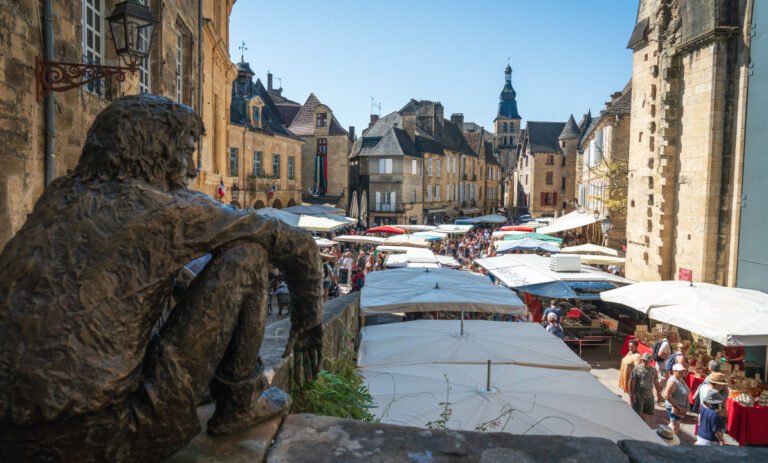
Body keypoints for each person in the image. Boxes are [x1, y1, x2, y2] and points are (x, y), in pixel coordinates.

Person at [0, 96, 324, 462]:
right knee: (248, 255)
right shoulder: (165, 209)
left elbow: (134, 284)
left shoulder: (60, 196)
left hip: (11, 436)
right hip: (101, 437)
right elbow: (296, 243)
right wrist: (310, 318)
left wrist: (191, 294)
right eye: (185, 151)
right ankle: (240, 402)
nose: (189, 167)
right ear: (157, 149)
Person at [630, 353, 661, 427]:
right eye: (644, 360)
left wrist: (658, 392)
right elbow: (632, 382)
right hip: (639, 396)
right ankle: (635, 427)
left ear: (651, 361)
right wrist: (632, 394)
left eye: (647, 360)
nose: (645, 362)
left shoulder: (653, 370)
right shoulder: (637, 368)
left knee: (647, 414)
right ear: (642, 360)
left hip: (649, 396)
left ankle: (643, 427)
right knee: (636, 414)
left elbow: (656, 381)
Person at [663, 363, 690, 435]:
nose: (682, 373)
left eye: (683, 371)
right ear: (674, 371)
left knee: (673, 424)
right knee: (675, 426)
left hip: (680, 407)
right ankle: (671, 442)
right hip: (675, 408)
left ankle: (665, 436)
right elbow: (666, 395)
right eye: (680, 371)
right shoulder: (673, 381)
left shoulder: (680, 379)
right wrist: (677, 407)